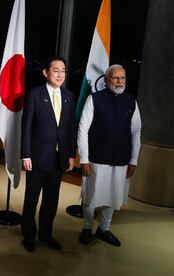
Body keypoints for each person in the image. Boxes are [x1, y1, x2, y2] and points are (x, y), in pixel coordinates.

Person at [78, 64, 141, 247]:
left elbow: (136, 132)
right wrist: (84, 158)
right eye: (115, 78)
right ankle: (87, 227)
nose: (120, 81)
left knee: (114, 196)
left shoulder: (131, 101)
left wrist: (134, 160)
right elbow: (83, 130)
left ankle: (104, 229)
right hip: (96, 158)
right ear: (107, 80)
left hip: (121, 159)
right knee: (91, 196)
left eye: (123, 78)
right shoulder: (94, 99)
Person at [20, 56, 77, 252]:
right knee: (31, 198)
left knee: (51, 200)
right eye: (56, 70)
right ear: (46, 72)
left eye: (63, 71)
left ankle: (46, 234)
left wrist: (71, 154)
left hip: (58, 158)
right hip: (37, 157)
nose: (60, 74)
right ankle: (29, 234)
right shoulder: (35, 94)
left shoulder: (69, 96)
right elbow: (26, 127)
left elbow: (70, 128)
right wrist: (25, 155)